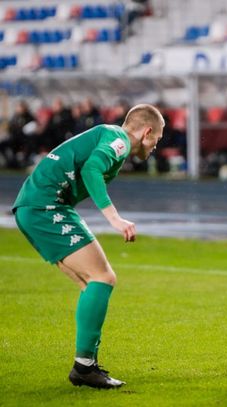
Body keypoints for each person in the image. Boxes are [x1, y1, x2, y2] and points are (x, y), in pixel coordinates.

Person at [12, 104, 165, 388]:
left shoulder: (110, 135)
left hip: (37, 206)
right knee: (102, 277)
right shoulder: (120, 140)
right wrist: (114, 218)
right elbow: (92, 169)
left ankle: (86, 365)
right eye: (157, 137)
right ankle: (84, 367)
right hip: (45, 206)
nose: (157, 144)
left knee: (91, 283)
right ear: (147, 132)